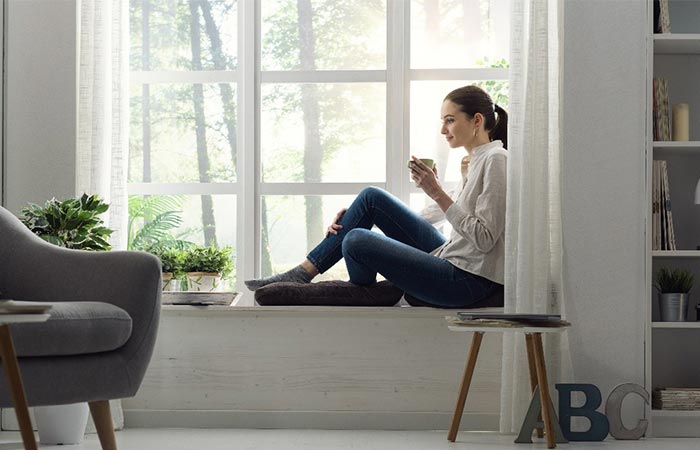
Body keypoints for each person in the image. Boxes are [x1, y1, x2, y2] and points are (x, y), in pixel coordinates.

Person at [245, 85, 507, 308]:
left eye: (449, 120)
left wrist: (436, 192)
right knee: (370, 199)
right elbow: (438, 215)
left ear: (476, 120)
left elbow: (484, 239)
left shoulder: (496, 160)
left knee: (357, 240)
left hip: (466, 280)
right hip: (450, 258)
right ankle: (303, 272)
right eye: (443, 121)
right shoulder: (473, 161)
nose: (443, 129)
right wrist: (355, 219)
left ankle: (364, 289)